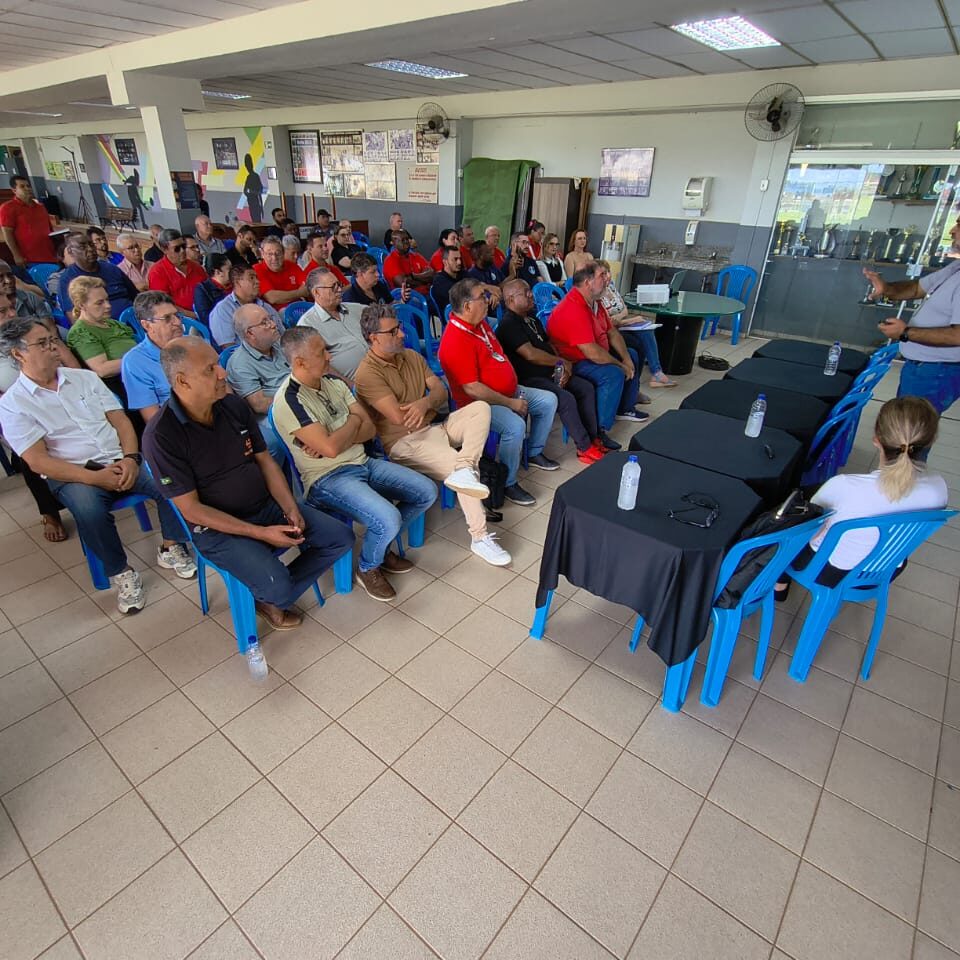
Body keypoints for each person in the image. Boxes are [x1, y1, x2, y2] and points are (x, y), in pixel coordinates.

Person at [144, 336, 353, 629]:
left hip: (264, 506)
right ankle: (270, 595)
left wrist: (289, 506)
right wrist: (260, 533)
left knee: (340, 537)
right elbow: (191, 510)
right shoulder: (162, 436)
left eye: (218, 364)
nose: (222, 373)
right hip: (218, 529)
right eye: (210, 369)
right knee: (279, 588)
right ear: (182, 381)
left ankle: (272, 589)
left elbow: (265, 461)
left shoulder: (230, 406)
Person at [0, 316, 197, 614]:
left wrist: (131, 459)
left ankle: (170, 546)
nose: (54, 347)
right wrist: (95, 478)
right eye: (42, 343)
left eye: (53, 339)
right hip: (72, 473)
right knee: (90, 509)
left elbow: (121, 422)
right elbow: (38, 460)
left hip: (119, 457)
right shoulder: (14, 404)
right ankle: (122, 572)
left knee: (169, 479)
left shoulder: (83, 378)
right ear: (18, 353)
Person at [274, 326, 437, 601]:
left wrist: (338, 436)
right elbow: (330, 448)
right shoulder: (289, 400)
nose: (329, 356)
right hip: (327, 479)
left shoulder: (334, 383)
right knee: (388, 518)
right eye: (321, 352)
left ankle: (380, 549)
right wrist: (350, 423)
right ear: (299, 362)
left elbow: (369, 430)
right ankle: (368, 567)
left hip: (362, 461)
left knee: (426, 491)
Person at [355, 303, 511, 565]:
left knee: (480, 409)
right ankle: (480, 537)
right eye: (393, 332)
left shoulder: (412, 357)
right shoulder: (366, 374)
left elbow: (441, 391)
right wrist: (427, 400)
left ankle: (464, 468)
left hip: (434, 426)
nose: (402, 335)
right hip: (405, 442)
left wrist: (425, 403)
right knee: (463, 472)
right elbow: (398, 417)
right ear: (374, 338)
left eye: (400, 328)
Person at [776, 397, 947, 598]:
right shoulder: (939, 488)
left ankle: (779, 586)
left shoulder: (844, 486)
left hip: (828, 571)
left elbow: (807, 530)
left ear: (876, 439)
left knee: (783, 525)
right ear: (931, 440)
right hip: (886, 569)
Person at [438, 278, 559, 506]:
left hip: (509, 391)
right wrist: (510, 403)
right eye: (482, 298)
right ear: (467, 306)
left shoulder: (479, 322)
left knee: (547, 401)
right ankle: (508, 482)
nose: (487, 301)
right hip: (478, 405)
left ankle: (534, 452)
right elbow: (472, 388)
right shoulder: (455, 339)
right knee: (514, 427)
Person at [498, 280, 609, 464]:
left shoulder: (532, 318)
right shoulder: (508, 324)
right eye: (525, 293)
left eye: (529, 291)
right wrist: (561, 362)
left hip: (550, 371)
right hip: (529, 378)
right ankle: (584, 447)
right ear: (510, 299)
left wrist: (561, 367)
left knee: (586, 387)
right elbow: (531, 354)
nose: (531, 295)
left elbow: (549, 345)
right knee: (566, 399)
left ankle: (593, 437)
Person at [0, 298, 78, 543]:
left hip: (60, 395)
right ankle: (49, 511)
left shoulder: (34, 334)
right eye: (3, 311)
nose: (12, 313)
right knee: (30, 449)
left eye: (12, 307)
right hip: (15, 409)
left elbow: (73, 367)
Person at [866, 215, 960, 414]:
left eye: (959, 225)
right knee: (905, 424)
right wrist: (887, 288)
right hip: (922, 367)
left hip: (938, 370)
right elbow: (917, 288)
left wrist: (906, 332)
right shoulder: (955, 267)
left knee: (911, 430)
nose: (952, 230)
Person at [549, 261, 647, 433]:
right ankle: (600, 430)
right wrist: (621, 365)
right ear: (588, 282)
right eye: (602, 275)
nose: (608, 278)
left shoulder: (595, 302)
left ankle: (624, 408)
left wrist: (625, 359)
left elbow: (612, 333)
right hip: (575, 362)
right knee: (613, 373)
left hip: (591, 355)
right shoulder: (573, 307)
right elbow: (592, 352)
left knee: (632, 353)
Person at [225, 303, 290, 463]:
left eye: (270, 319)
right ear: (250, 333)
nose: (273, 324)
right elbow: (259, 405)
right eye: (264, 322)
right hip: (273, 413)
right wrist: (298, 399)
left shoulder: (280, 344)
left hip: (298, 398)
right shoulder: (240, 363)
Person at [597, 259, 673, 393]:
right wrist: (628, 321)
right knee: (640, 339)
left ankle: (653, 374)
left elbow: (624, 309)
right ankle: (654, 373)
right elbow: (608, 322)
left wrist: (624, 318)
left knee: (646, 329)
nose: (608, 276)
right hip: (613, 329)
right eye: (603, 274)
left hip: (622, 323)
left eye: (608, 272)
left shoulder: (611, 287)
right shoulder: (598, 293)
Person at [297, 267, 367, 381]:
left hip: (382, 371)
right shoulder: (307, 325)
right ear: (317, 292)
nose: (339, 289)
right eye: (333, 287)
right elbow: (320, 366)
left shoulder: (356, 309)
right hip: (354, 384)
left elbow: (382, 314)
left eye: (339, 284)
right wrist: (349, 386)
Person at [121, 292, 181, 422]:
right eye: (167, 318)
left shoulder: (193, 344)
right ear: (147, 325)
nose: (177, 322)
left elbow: (223, 386)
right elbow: (153, 419)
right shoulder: (135, 362)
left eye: (177, 315)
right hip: (178, 428)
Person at [65, 276, 137, 385]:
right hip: (122, 383)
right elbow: (102, 369)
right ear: (81, 305)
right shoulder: (80, 332)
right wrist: (140, 359)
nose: (108, 306)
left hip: (139, 373)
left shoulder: (113, 323)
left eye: (107, 300)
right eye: (99, 303)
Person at [59, 234, 138, 319]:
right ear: (71, 252)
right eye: (82, 247)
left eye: (92, 245)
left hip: (134, 319)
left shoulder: (111, 268)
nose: (90, 249)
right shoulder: (67, 280)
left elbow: (136, 296)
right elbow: (74, 317)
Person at [208, 265, 281, 349]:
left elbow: (281, 332)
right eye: (251, 278)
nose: (257, 282)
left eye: (256, 278)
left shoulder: (264, 305)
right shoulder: (223, 310)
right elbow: (228, 347)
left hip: (277, 353)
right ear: (238, 282)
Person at [147, 229, 206, 318]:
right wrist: (195, 316)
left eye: (183, 246)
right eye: (177, 248)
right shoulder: (157, 272)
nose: (182, 251)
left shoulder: (195, 266)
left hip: (204, 313)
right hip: (179, 319)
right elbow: (164, 305)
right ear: (164, 249)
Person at [0, 175, 56, 267]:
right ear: (14, 190)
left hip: (49, 254)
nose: (27, 188)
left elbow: (49, 229)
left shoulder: (40, 207)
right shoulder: (8, 208)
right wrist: (16, 255)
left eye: (28, 186)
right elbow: (7, 234)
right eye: (22, 186)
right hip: (30, 258)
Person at [254, 236, 308, 309]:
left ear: (283, 253)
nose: (274, 258)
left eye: (278, 253)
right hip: (274, 314)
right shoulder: (257, 269)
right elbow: (272, 298)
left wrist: (284, 297)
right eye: (269, 254)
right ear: (262, 254)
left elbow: (307, 287)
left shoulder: (293, 266)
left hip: (299, 308)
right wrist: (299, 293)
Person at [384, 230, 434, 295]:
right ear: (394, 243)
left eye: (407, 239)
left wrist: (413, 276)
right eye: (402, 240)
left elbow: (431, 274)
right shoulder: (390, 260)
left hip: (428, 293)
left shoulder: (416, 256)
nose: (406, 242)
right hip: (409, 297)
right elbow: (404, 284)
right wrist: (425, 281)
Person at [193, 252, 231, 327]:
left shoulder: (234, 284)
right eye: (229, 269)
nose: (233, 272)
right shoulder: (202, 289)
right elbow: (206, 318)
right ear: (218, 272)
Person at [430, 246, 464, 316]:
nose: (459, 262)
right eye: (455, 259)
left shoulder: (463, 274)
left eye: (460, 259)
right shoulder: (439, 280)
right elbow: (457, 296)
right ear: (445, 262)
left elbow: (478, 285)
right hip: (454, 320)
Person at [242, 154, 265, 223]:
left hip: (256, 202)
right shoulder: (249, 177)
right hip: (251, 202)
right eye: (247, 165)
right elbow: (245, 191)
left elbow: (260, 189)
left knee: (257, 220)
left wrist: (252, 192)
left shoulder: (255, 176)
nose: (247, 167)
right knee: (254, 220)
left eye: (248, 164)